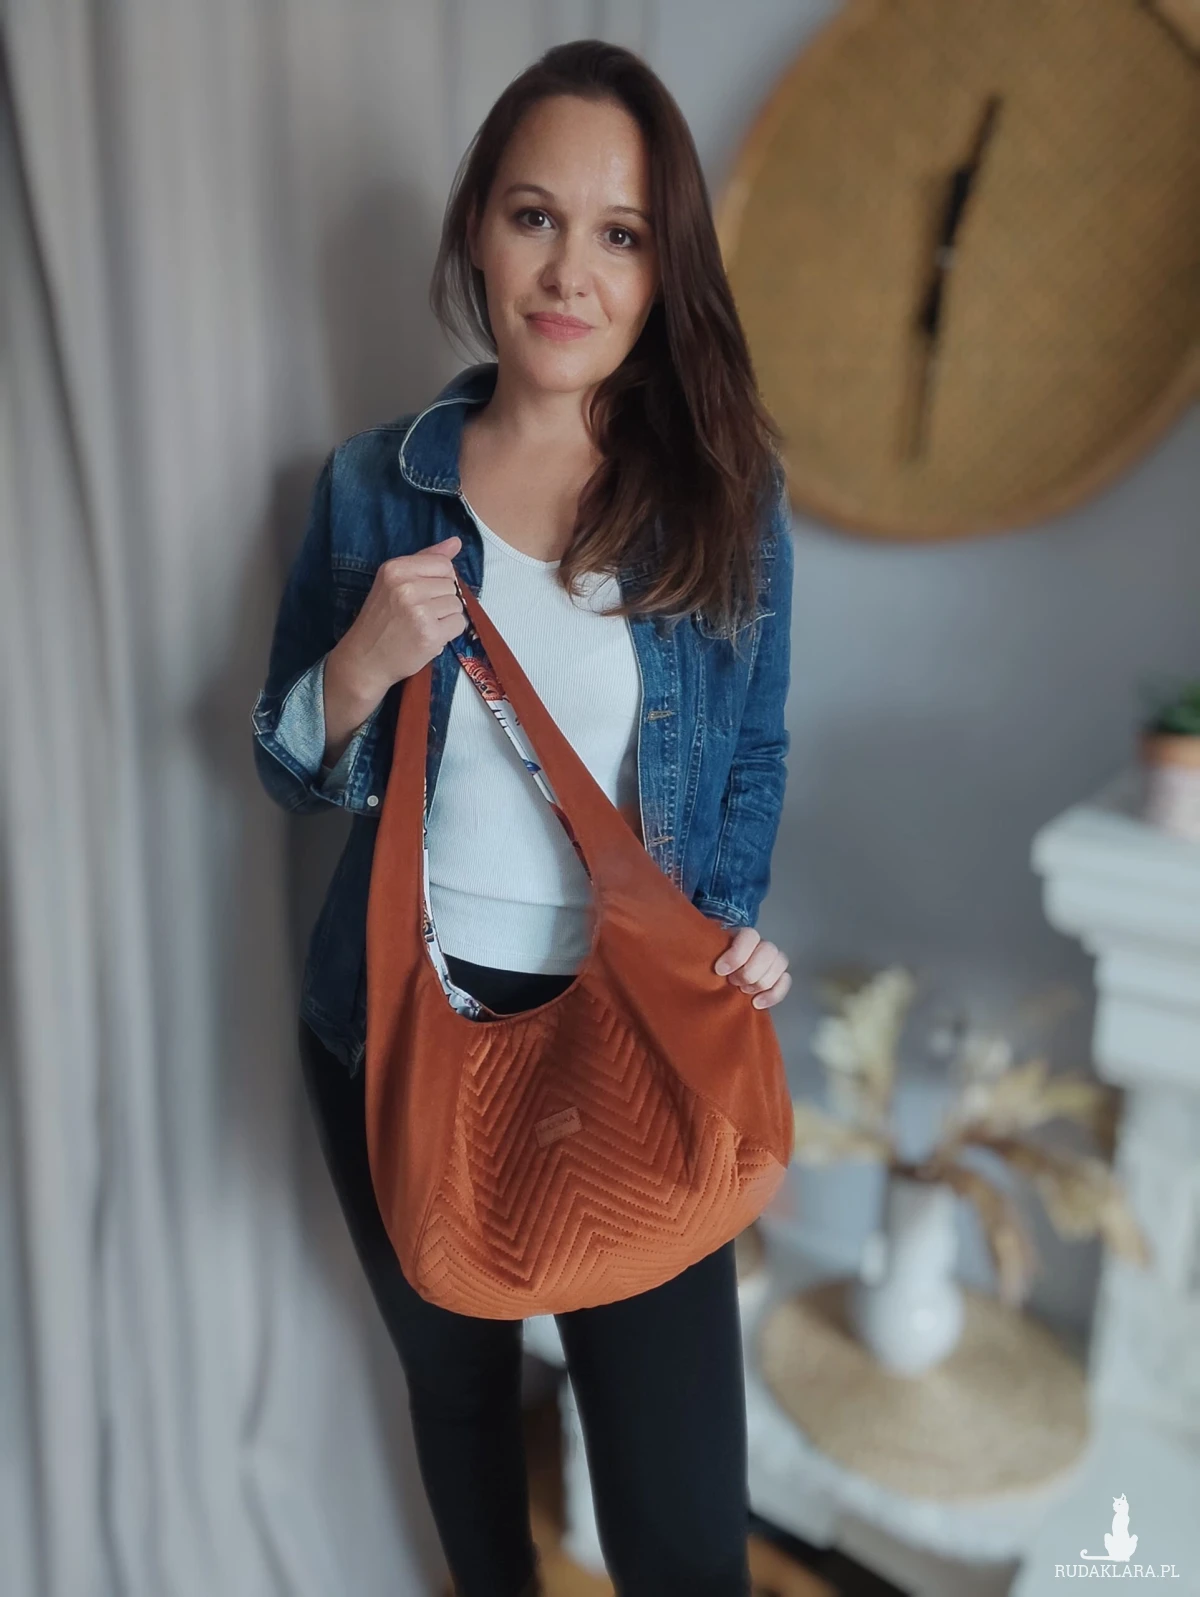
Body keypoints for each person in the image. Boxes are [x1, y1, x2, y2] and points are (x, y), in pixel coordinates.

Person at [251, 37, 795, 1597]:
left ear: (662, 269)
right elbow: (290, 764)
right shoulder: (374, 487)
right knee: (463, 1408)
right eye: (534, 217)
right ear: (478, 232)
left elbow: (752, 754)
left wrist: (729, 935)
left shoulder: (723, 495)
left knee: (680, 1519)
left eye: (620, 234)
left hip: (634, 1034)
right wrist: (361, 662)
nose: (570, 272)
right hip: (398, 1030)